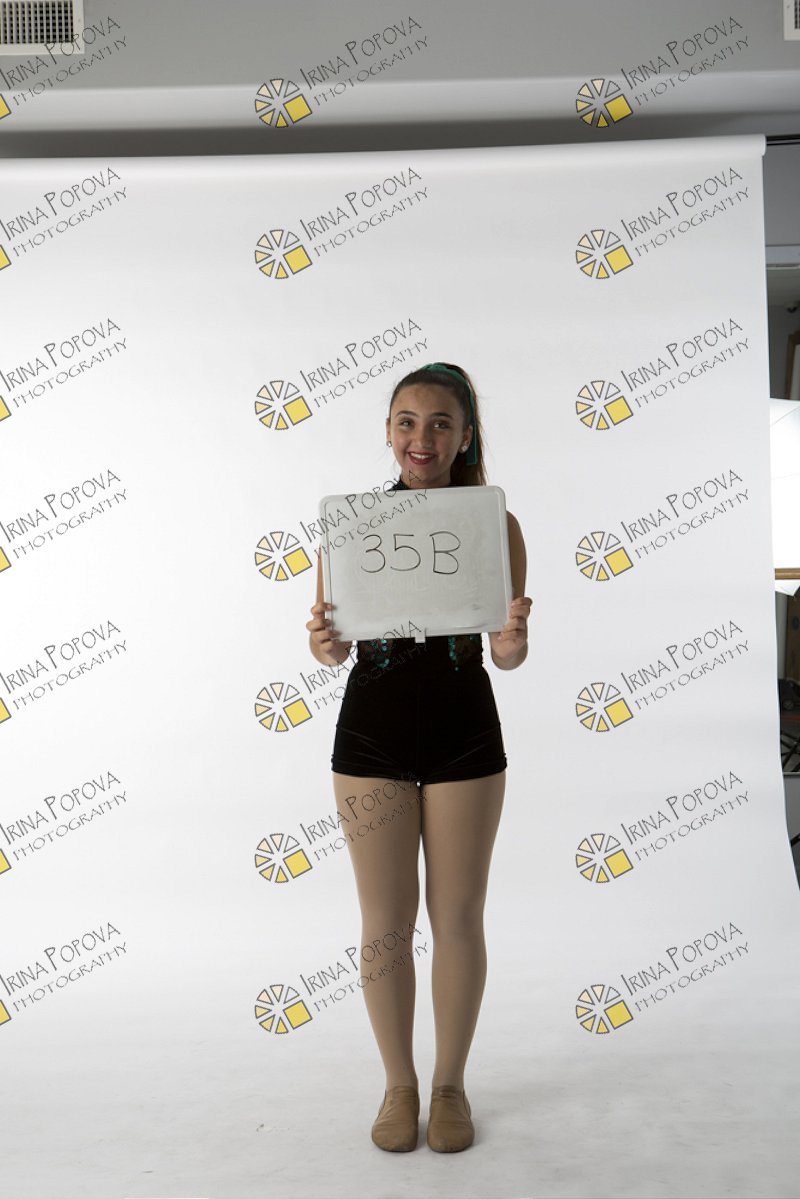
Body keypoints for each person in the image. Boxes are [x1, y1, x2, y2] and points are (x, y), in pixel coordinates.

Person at [306, 362, 532, 1153]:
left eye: (440, 422)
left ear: (466, 435)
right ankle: (399, 1084)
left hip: (465, 731)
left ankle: (450, 1084)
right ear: (389, 431)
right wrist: (322, 641)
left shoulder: (496, 524)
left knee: (458, 915)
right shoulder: (353, 526)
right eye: (407, 421)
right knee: (385, 922)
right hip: (372, 734)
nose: (422, 437)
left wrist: (514, 638)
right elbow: (333, 647)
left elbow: (505, 653)